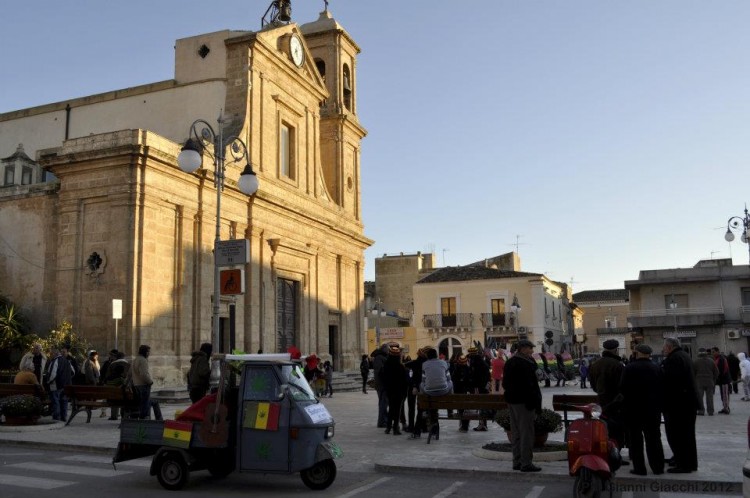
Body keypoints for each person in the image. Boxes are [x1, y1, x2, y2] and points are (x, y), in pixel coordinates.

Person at [620, 344, 664, 476]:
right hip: (652, 410)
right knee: (654, 439)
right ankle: (658, 467)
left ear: (637, 353)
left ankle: (640, 468)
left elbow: (622, 388)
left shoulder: (629, 368)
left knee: (636, 440)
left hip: (634, 410)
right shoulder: (657, 368)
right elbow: (663, 388)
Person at [502, 339, 542, 472]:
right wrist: (534, 403)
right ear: (523, 349)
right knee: (526, 433)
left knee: (516, 432)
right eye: (530, 348)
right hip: (525, 402)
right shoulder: (526, 363)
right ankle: (526, 463)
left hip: (512, 401)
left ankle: (517, 461)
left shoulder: (510, 362)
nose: (532, 351)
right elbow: (531, 385)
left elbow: (505, 384)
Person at [662, 337, 699, 473]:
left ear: (670, 347)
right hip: (687, 402)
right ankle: (686, 461)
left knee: (678, 435)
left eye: (664, 347)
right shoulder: (683, 355)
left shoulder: (674, 359)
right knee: (687, 435)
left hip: (678, 404)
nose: (663, 350)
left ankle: (684, 464)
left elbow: (671, 382)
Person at [587, 339, 626, 449]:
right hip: (616, 403)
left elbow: (593, 385)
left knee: (605, 427)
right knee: (617, 429)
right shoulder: (618, 365)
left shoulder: (595, 365)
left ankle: (606, 451)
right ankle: (616, 451)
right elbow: (622, 386)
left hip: (602, 402)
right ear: (616, 350)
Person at [414, 347, 452, 439]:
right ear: (436, 355)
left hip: (429, 393)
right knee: (451, 382)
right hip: (443, 391)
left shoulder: (424, 364)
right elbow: (448, 378)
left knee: (422, 384)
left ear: (428, 356)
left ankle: (424, 399)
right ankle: (450, 399)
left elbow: (423, 380)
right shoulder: (444, 363)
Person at [380, 345, 408, 435]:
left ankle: (388, 427)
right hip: (399, 391)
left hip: (389, 390)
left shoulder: (386, 366)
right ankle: (396, 428)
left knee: (391, 408)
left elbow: (382, 377)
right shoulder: (401, 367)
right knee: (398, 409)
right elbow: (405, 380)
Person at [131, 344, 163, 420]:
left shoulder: (135, 360)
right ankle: (147, 418)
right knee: (145, 403)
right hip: (143, 385)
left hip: (136, 384)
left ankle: (157, 418)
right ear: (145, 352)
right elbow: (143, 374)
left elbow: (130, 373)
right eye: (148, 352)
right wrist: (150, 382)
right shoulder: (143, 360)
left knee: (147, 402)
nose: (149, 354)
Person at [47, 346, 74, 421]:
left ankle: (57, 417)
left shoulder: (55, 361)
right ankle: (64, 417)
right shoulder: (66, 361)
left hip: (57, 385)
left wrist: (48, 381)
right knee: (64, 401)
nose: (50, 355)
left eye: (51, 354)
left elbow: (53, 374)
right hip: (66, 385)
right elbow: (73, 371)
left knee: (56, 401)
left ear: (55, 353)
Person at [467, 347, 490, 431]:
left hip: (478, 387)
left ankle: (482, 424)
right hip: (484, 386)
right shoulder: (482, 361)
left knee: (480, 405)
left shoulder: (474, 362)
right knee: (483, 405)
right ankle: (483, 424)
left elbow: (473, 376)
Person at [404, 348, 426, 433]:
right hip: (423, 387)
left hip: (413, 386)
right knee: (422, 408)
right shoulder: (426, 363)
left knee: (411, 407)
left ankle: (411, 426)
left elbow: (404, 365)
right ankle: (422, 426)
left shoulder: (414, 363)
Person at [104, 351, 130, 420]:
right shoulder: (128, 364)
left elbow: (107, 375)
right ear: (123, 357)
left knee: (114, 395)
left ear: (116, 357)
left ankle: (114, 415)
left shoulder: (112, 364)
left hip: (112, 391)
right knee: (125, 397)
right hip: (123, 388)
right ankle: (124, 415)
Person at [693, 348, 718, 416]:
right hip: (710, 381)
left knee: (700, 397)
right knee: (710, 397)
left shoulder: (696, 362)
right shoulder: (711, 361)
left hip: (699, 382)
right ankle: (710, 411)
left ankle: (701, 411)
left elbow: (692, 373)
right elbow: (716, 372)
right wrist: (713, 379)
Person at [372, 345, 389, 428]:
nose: (389, 351)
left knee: (384, 403)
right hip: (382, 385)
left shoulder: (381, 357)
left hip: (381, 384)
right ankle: (382, 421)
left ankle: (384, 420)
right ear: (384, 350)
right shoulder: (379, 358)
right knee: (383, 403)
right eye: (387, 349)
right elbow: (380, 372)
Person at [712, 347, 732, 414]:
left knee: (725, 394)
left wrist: (717, 377)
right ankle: (725, 407)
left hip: (724, 380)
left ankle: (726, 408)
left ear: (718, 351)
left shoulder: (721, 359)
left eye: (714, 352)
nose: (713, 353)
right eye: (712, 352)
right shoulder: (718, 358)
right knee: (723, 394)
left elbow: (721, 370)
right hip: (722, 380)